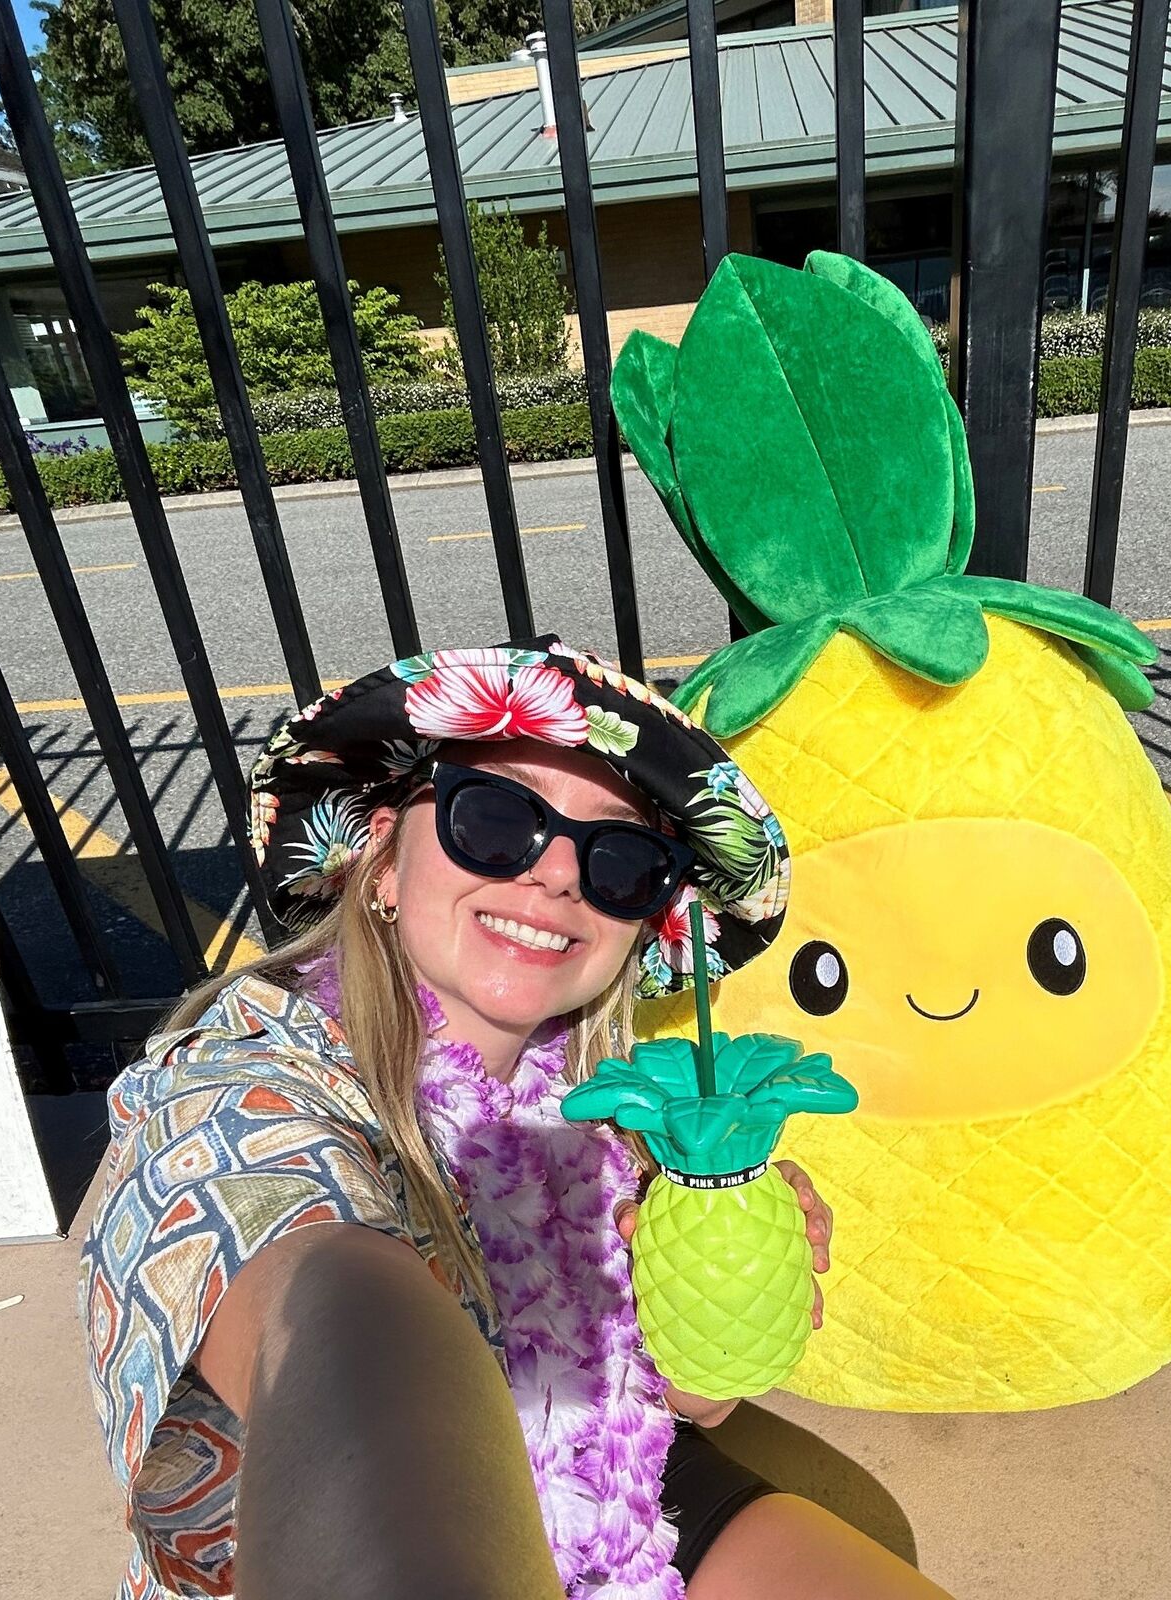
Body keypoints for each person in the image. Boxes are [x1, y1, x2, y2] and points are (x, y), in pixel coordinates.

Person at [80, 636, 953, 1600]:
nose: (560, 875)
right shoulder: (244, 1096)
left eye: (622, 858)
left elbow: (688, 1404)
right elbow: (325, 1310)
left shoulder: (608, 1107)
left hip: (613, 1495)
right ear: (383, 858)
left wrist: (715, 1304)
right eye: (495, 819)